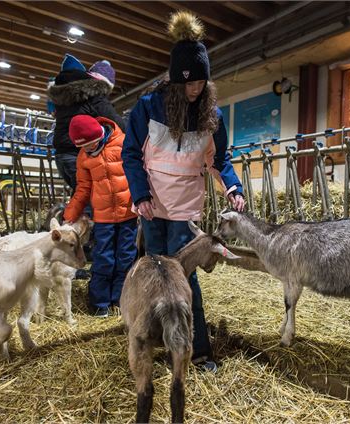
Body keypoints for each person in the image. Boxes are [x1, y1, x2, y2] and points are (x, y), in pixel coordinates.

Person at [121, 11, 245, 373]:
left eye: (201, 84)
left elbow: (221, 160)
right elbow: (131, 154)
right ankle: (154, 341)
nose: (195, 90)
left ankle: (198, 350)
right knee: (153, 280)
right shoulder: (148, 108)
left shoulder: (212, 117)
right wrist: (140, 194)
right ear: (176, 82)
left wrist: (232, 187)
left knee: (184, 280)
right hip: (152, 207)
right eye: (189, 84)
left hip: (185, 209)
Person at [63, 114, 138, 317]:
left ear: (99, 135)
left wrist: (141, 199)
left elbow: (137, 172)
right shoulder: (84, 157)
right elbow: (83, 188)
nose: (87, 149)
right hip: (103, 218)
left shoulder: (123, 143)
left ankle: (121, 301)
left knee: (126, 258)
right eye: (83, 146)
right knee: (103, 259)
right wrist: (70, 213)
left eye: (90, 144)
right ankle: (99, 304)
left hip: (128, 214)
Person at [48, 55, 125, 192]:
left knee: (82, 197)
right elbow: (115, 121)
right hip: (78, 155)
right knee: (90, 201)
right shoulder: (94, 96)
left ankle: (67, 213)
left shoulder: (65, 97)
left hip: (61, 155)